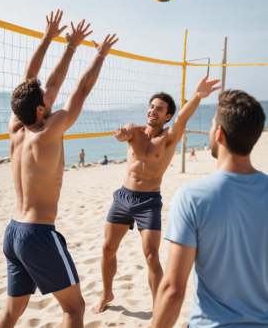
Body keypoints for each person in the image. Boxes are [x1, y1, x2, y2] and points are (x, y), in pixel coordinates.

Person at [0, 9, 118, 328]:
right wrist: (100, 55)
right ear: (40, 108)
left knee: (11, 313)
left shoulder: (15, 125)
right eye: (46, 100)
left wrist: (54, 40)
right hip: (38, 235)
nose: (51, 95)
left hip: (12, 232)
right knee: (74, 309)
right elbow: (80, 90)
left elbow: (35, 80)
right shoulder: (51, 130)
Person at [91, 75, 221, 314]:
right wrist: (121, 136)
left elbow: (183, 117)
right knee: (107, 249)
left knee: (151, 257)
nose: (153, 111)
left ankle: (159, 308)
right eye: (151, 106)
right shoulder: (134, 130)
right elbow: (125, 134)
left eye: (159, 109)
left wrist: (197, 95)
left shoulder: (169, 137)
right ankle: (107, 292)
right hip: (123, 197)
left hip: (148, 202)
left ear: (167, 116)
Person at [150, 90, 267, 328]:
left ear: (220, 133)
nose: (210, 131)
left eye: (213, 125)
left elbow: (173, 291)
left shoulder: (191, 197)